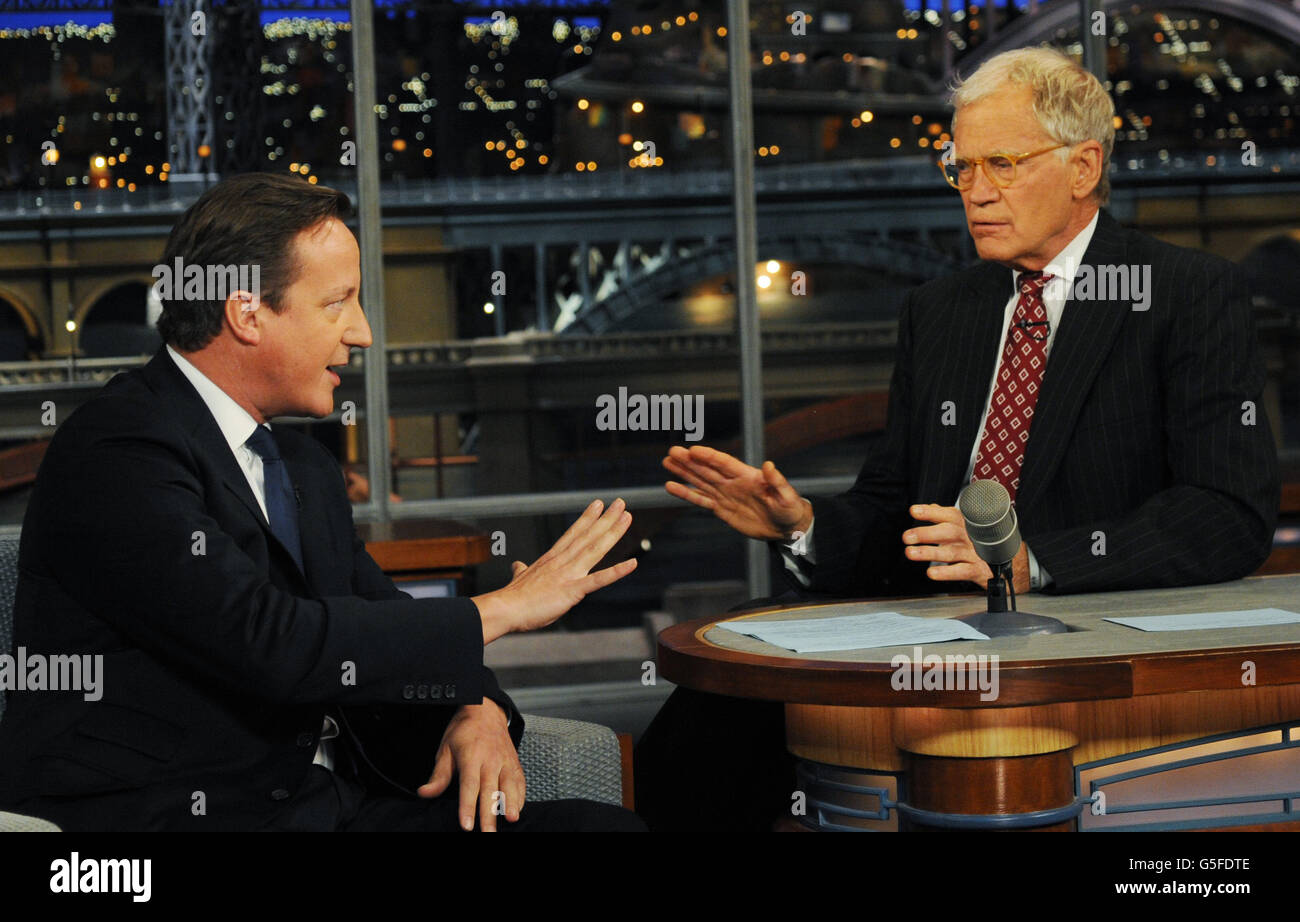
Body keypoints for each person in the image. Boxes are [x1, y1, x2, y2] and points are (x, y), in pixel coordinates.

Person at [636, 46, 1280, 830]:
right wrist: (802, 524)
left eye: (1002, 165)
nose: (975, 194)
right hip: (924, 637)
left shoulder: (1185, 292)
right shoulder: (943, 309)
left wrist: (1033, 562)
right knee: (695, 734)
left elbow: (1229, 511)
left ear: (1083, 168)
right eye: (962, 168)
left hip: (1082, 656)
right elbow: (891, 507)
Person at [0, 172, 644, 832]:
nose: (362, 332)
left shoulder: (301, 463)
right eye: (338, 303)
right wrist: (505, 607)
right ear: (247, 314)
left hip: (319, 806)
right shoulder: (118, 447)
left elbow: (379, 617)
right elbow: (270, 641)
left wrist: (473, 704)